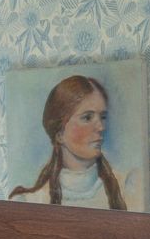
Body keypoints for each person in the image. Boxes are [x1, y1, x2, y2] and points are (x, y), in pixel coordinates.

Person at [9, 74, 127, 208]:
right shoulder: (29, 201)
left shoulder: (126, 188)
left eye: (103, 117)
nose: (101, 127)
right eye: (87, 118)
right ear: (59, 134)